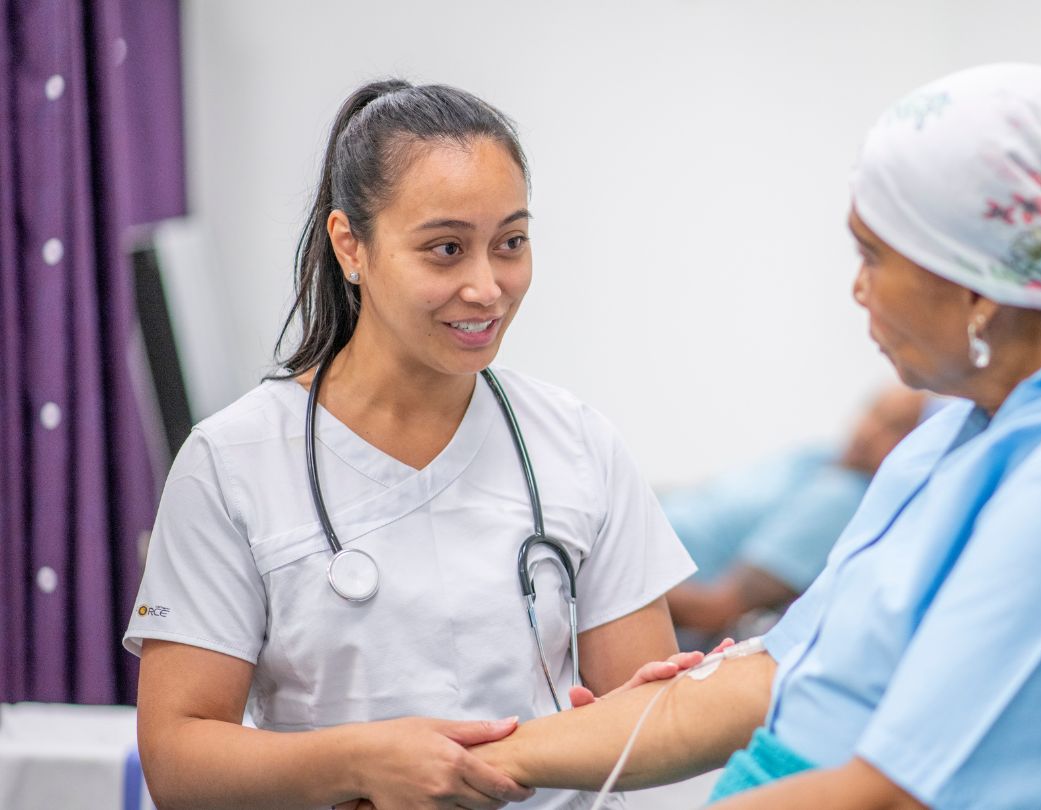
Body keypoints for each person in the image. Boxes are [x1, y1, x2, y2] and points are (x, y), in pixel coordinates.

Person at [456, 64, 1041, 809]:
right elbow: (774, 680)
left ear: (980, 285)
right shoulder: (962, 430)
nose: (857, 289)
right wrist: (464, 765)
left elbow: (891, 798)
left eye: (874, 254)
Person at [122, 80, 699, 810]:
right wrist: (360, 762)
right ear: (350, 245)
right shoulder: (231, 462)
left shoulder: (577, 442)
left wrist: (653, 714)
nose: (488, 287)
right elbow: (177, 758)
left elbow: (650, 716)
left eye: (510, 243)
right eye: (446, 249)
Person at [664, 387, 926, 638]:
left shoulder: (841, 502)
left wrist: (633, 580)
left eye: (896, 427)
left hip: (654, 582)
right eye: (874, 412)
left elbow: (713, 610)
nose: (871, 431)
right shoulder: (818, 456)